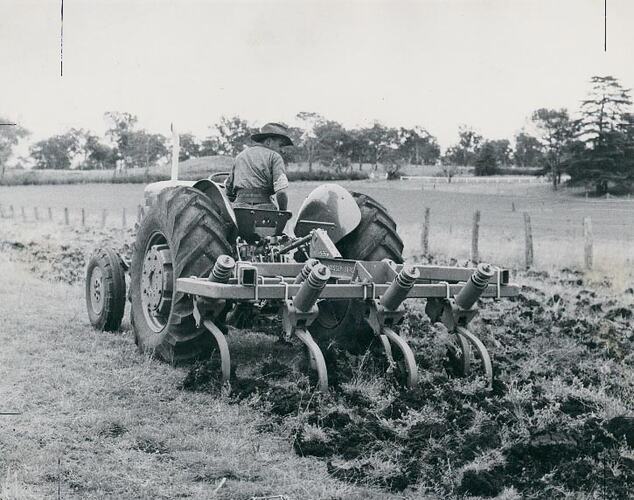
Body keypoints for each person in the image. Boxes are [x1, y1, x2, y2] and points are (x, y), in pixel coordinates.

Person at [226, 123, 293, 211]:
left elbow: (229, 189)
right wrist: (283, 212)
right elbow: (281, 192)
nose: (283, 150)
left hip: (238, 210)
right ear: (268, 141)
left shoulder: (240, 156)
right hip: (264, 210)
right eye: (280, 145)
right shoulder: (275, 157)